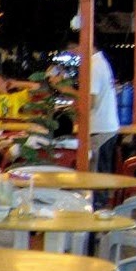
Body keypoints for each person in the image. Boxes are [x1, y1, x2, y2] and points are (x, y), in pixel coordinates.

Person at [49, 33, 119, 175]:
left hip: (100, 129)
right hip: (105, 128)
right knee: (99, 174)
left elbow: (89, 102)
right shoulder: (99, 63)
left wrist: (63, 88)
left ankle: (100, 198)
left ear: (83, 44)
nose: (72, 53)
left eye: (72, 48)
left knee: (97, 178)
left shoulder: (94, 67)